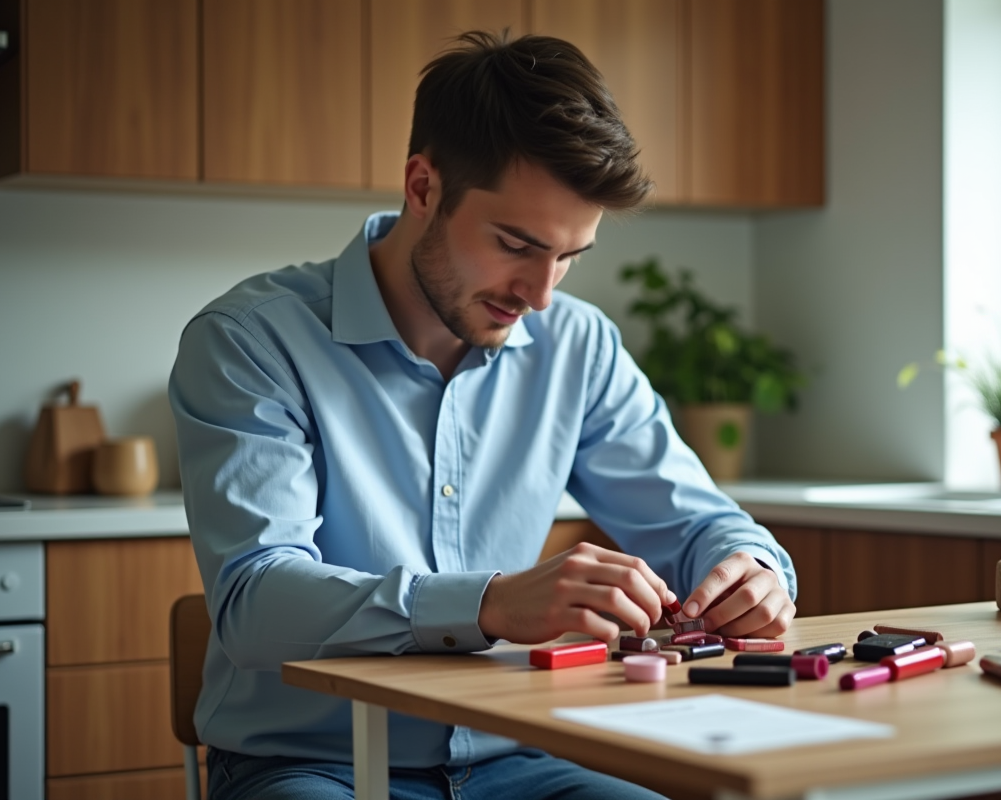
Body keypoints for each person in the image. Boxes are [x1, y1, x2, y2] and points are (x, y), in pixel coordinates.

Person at [170, 30, 797, 800]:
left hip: (521, 759)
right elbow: (254, 602)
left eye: (569, 257)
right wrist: (492, 603)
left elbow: (699, 523)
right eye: (516, 244)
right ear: (423, 185)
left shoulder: (578, 345)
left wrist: (753, 571)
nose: (540, 293)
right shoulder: (251, 340)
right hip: (312, 764)